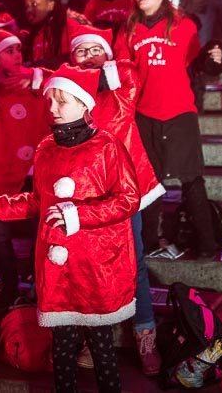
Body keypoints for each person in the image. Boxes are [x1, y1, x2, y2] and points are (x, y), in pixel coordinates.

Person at [0, 64, 140, 393]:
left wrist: (78, 215)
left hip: (95, 263)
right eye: (51, 101)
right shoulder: (46, 148)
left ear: (84, 104)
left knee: (101, 348)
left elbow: (129, 199)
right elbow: (36, 202)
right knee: (61, 347)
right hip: (56, 266)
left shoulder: (107, 146)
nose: (54, 108)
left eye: (63, 101)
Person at [67, 22, 166, 376]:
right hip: (88, 191)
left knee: (133, 261)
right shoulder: (70, 94)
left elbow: (121, 72)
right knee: (93, 267)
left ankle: (145, 335)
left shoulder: (121, 75)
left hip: (125, 188)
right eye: (81, 50)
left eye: (96, 49)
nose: (89, 55)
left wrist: (73, 75)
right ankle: (98, 339)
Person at [115, 0, 218, 258]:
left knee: (192, 180)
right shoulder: (128, 29)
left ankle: (207, 244)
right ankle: (147, 243)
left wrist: (214, 58)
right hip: (144, 114)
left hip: (180, 112)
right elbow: (122, 69)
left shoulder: (184, 26)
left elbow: (198, 63)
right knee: (150, 185)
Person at [0, 29, 51, 308]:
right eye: (9, 51)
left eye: (18, 49)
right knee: (0, 237)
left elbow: (68, 80)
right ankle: (9, 290)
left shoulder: (38, 81)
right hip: (0, 169)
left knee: (39, 235)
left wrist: (35, 76)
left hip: (32, 171)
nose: (18, 55)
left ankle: (39, 291)